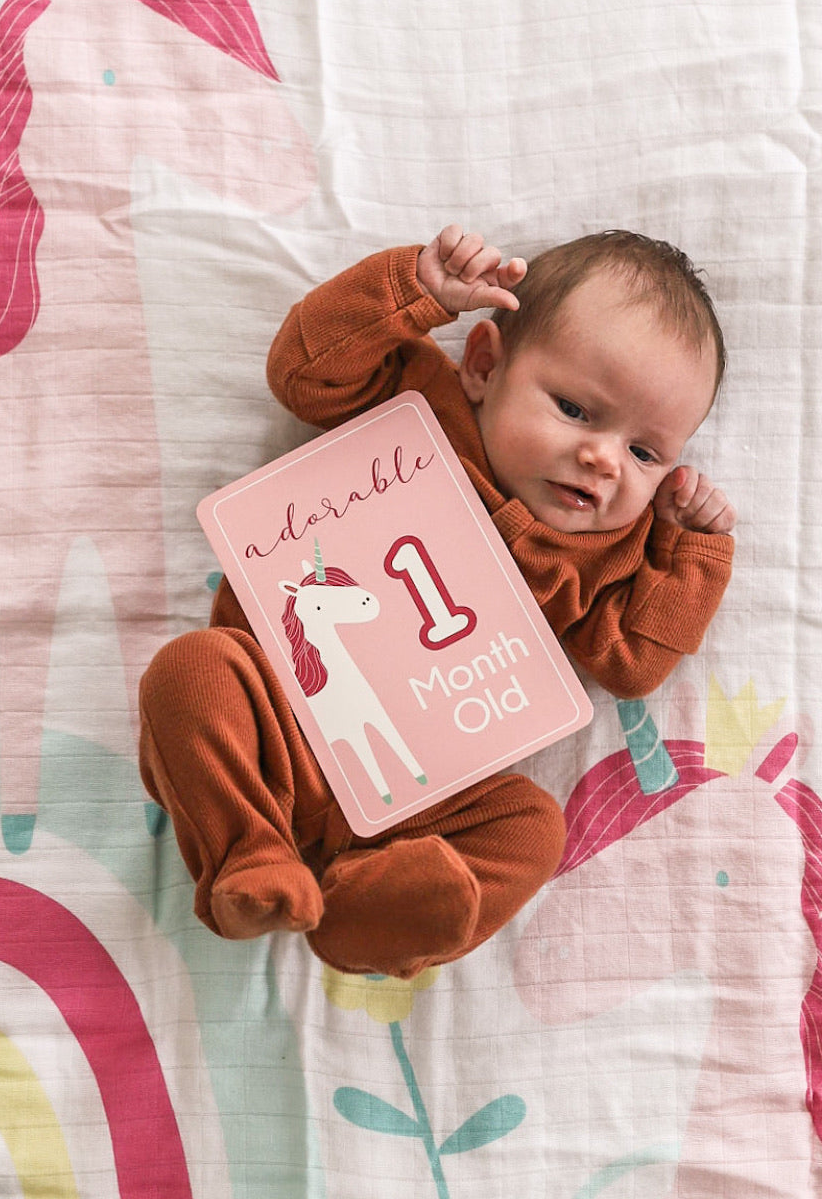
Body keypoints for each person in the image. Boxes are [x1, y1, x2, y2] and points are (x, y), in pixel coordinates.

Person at [138, 225, 736, 979]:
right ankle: (248, 857)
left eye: (646, 453)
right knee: (190, 670)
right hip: (274, 724)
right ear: (484, 365)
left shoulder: (608, 551)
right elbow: (302, 375)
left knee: (533, 831)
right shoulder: (417, 402)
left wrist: (691, 552)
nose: (603, 459)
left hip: (419, 798)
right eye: (576, 410)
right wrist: (411, 292)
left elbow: (635, 662)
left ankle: (368, 917)